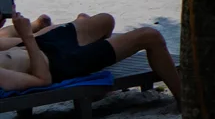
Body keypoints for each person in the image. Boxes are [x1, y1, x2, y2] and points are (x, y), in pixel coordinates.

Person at [1, 10, 180, 95]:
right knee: (150, 36)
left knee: (106, 20)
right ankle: (184, 101)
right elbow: (43, 79)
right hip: (62, 61)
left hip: (44, 43)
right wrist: (27, 35)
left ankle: (103, 50)